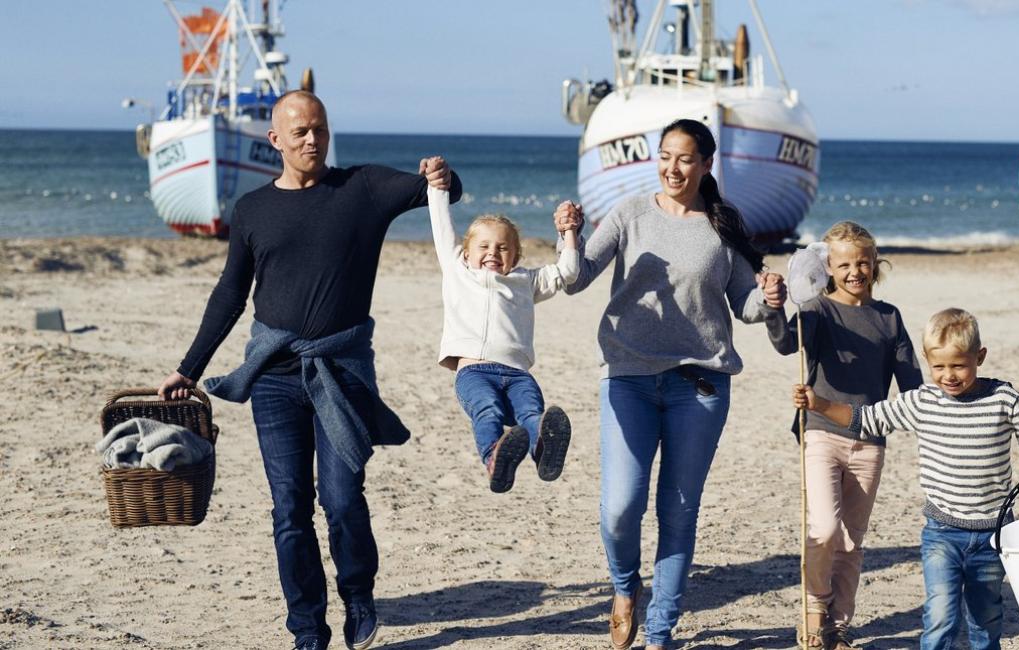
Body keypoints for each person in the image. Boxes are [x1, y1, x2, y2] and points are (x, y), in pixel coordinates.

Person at [157, 91, 462, 650]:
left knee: (343, 498)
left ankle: (359, 596)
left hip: (341, 371)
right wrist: (189, 369)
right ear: (275, 140)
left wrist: (440, 172)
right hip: (273, 374)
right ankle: (306, 629)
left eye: (319, 129)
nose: (311, 139)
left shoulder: (362, 188)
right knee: (290, 508)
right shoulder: (252, 210)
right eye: (298, 132)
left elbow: (445, 191)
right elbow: (230, 294)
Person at [556, 118, 786, 650]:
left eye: (684, 158)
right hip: (628, 377)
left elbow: (746, 306)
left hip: (699, 386)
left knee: (678, 511)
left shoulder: (723, 229)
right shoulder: (630, 213)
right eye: (664, 156)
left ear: (706, 165)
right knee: (620, 507)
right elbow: (579, 277)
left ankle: (660, 631)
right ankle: (623, 587)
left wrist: (769, 296)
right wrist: (570, 232)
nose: (672, 168)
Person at [793, 308, 1019, 650]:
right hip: (942, 534)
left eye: (958, 366)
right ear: (927, 360)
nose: (948, 376)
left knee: (986, 617)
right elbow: (868, 418)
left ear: (980, 357)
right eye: (939, 367)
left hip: (993, 535)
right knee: (941, 615)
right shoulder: (922, 401)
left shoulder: (1003, 399)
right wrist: (820, 404)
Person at [764, 221, 921, 650]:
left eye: (863, 262)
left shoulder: (889, 318)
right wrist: (775, 308)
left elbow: (912, 386)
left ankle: (839, 624)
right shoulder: (817, 309)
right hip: (821, 433)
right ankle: (814, 609)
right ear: (828, 268)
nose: (855, 271)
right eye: (845, 264)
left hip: (871, 441)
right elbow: (784, 343)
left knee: (852, 539)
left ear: (876, 264)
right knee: (825, 528)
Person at [424, 176, 581, 493]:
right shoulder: (458, 272)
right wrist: (437, 188)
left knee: (532, 413)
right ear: (465, 253)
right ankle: (495, 460)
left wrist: (569, 233)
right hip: (474, 373)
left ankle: (543, 451)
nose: (493, 252)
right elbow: (442, 227)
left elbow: (568, 272)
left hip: (519, 374)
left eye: (503, 247)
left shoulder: (526, 281)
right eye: (483, 246)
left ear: (517, 257)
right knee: (488, 411)